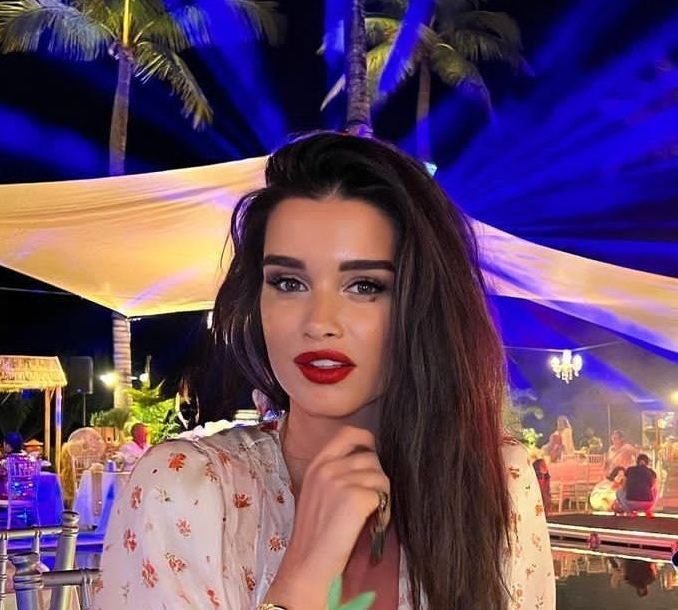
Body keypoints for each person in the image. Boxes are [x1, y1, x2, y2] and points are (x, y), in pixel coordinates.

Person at [95, 132, 555, 610]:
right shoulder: (186, 489)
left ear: (424, 305)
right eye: (288, 283)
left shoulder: (497, 481)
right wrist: (305, 572)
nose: (319, 323)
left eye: (364, 286)